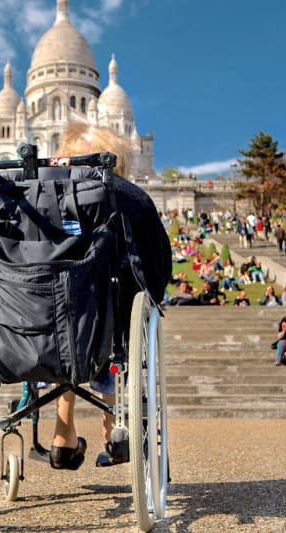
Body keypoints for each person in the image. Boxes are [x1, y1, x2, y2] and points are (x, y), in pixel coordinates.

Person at [49, 123, 171, 470]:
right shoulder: (133, 197)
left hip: (46, 320)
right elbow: (158, 267)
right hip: (110, 319)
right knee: (114, 313)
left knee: (65, 317)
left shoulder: (35, 195)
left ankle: (63, 433)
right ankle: (112, 424)